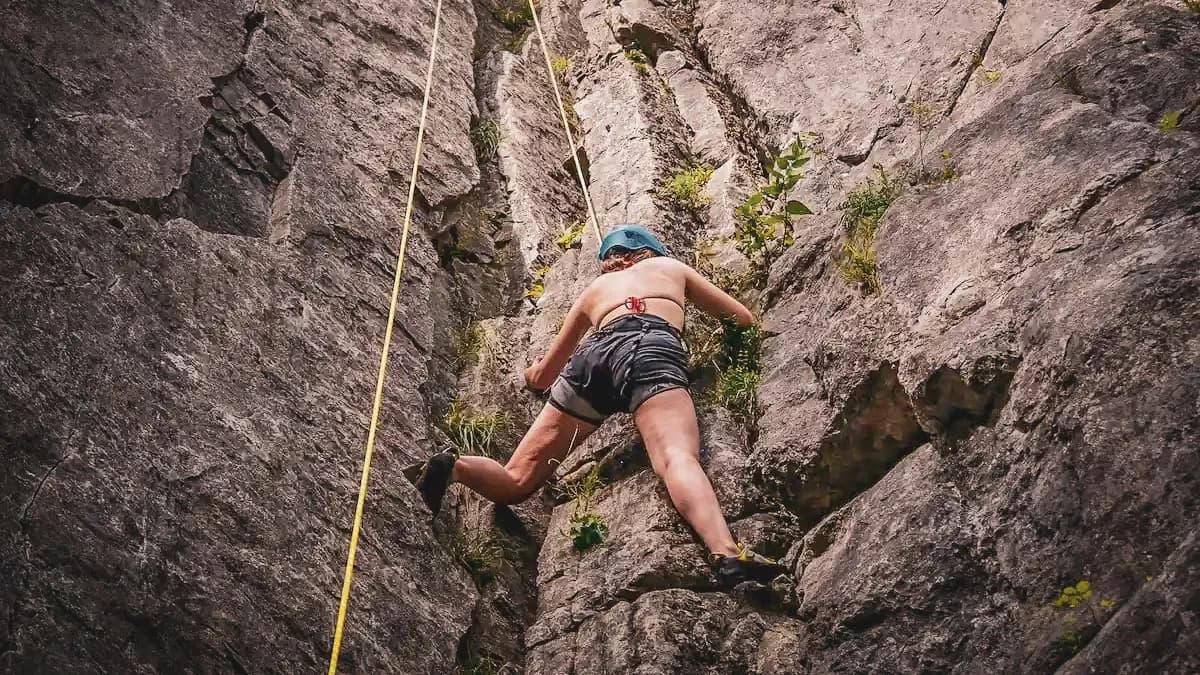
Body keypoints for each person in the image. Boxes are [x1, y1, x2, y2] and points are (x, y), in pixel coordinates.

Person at [415, 224, 785, 586]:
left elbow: (543, 377)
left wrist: (530, 374)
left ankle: (455, 467)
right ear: (649, 251)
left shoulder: (595, 290)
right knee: (675, 457)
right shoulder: (670, 268)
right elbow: (741, 319)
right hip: (651, 346)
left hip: (593, 359)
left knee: (516, 481)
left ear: (610, 260)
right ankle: (726, 553)